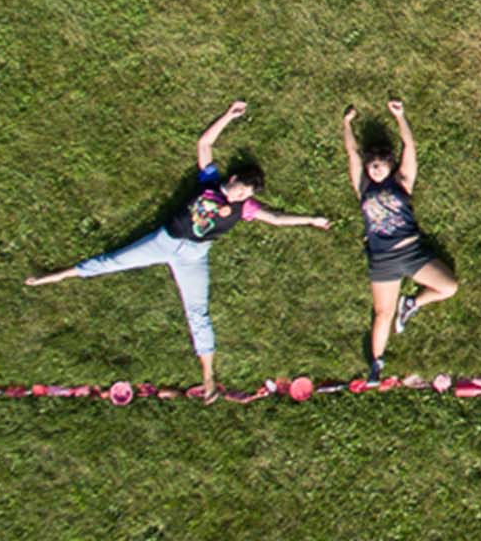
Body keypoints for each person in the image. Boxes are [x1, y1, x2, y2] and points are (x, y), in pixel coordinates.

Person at [25, 101, 331, 400]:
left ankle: (209, 376)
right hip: (165, 241)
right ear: (233, 178)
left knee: (198, 313)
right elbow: (205, 143)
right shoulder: (210, 182)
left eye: (246, 194)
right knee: (113, 261)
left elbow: (275, 219)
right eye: (241, 189)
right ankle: (56, 276)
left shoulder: (245, 208)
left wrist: (311, 220)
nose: (241, 196)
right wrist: (228, 116)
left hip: (194, 257)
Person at [341, 100, 459, 382]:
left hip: (413, 252)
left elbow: (410, 148)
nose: (375, 169)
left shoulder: (403, 182)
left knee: (449, 287)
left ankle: (413, 304)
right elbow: (351, 153)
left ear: (390, 164)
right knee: (383, 313)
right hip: (382, 260)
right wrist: (346, 125)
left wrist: (401, 117)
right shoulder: (363, 187)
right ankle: (377, 363)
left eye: (380, 165)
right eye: (372, 165)